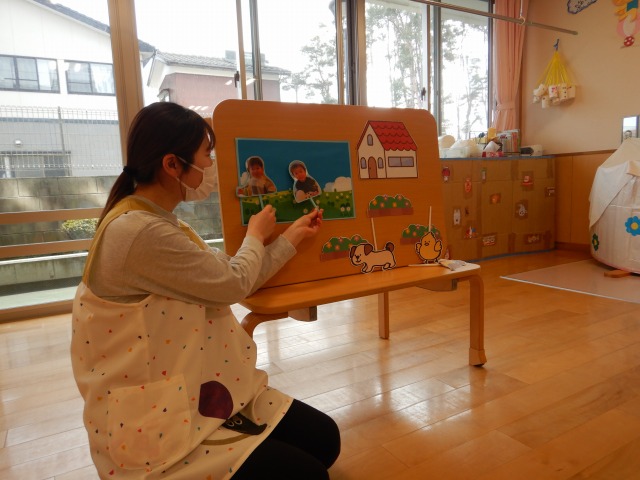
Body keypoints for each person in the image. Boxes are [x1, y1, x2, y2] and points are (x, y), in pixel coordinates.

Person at [70, 102, 340, 479]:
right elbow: (232, 283)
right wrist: (254, 235)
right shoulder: (139, 232)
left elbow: (231, 276)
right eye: (206, 154)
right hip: (160, 416)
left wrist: (292, 235)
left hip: (202, 390)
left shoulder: (158, 222)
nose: (211, 165)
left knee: (325, 440)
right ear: (172, 164)